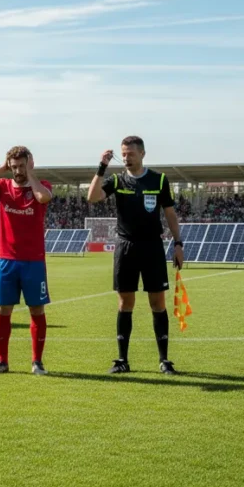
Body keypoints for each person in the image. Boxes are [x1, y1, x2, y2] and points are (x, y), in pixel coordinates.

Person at [87, 136, 184, 375]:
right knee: (125, 303)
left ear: (142, 154)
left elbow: (170, 214)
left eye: (131, 153)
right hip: (126, 247)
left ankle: (164, 360)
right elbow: (92, 197)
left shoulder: (159, 179)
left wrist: (178, 243)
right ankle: (122, 360)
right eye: (124, 153)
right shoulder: (118, 180)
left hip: (152, 247)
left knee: (157, 303)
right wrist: (102, 167)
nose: (127, 158)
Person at [0, 145, 52, 376]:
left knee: (36, 309)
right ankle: (2, 362)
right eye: (13, 167)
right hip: (6, 260)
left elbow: (43, 197)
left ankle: (37, 362)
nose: (17, 171)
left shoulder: (42, 185)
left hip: (33, 261)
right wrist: (0, 169)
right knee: (3, 309)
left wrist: (31, 173)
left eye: (21, 166)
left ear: (30, 163)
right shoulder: (2, 187)